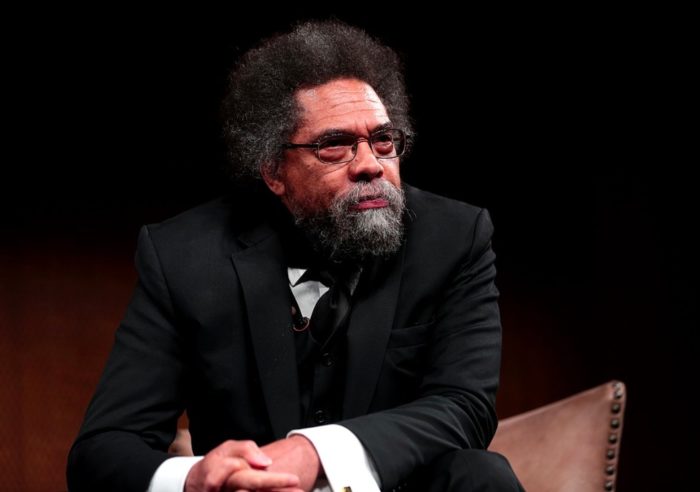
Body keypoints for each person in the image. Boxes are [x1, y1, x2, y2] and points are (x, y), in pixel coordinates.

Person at [67, 20, 523, 492]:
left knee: (481, 474)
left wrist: (317, 452)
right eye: (335, 146)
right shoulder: (185, 256)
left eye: (383, 140)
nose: (370, 164)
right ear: (273, 172)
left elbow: (464, 406)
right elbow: (103, 449)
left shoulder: (454, 237)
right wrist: (195, 478)